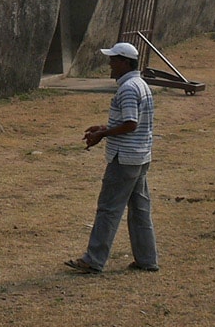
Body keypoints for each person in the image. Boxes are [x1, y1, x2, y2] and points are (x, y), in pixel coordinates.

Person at [65, 41, 159, 274]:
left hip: (124, 159)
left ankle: (93, 260)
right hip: (140, 157)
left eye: (113, 60)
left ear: (125, 62)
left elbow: (130, 123)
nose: (110, 64)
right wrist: (104, 127)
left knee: (108, 209)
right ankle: (147, 259)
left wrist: (103, 134)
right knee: (140, 210)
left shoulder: (127, 88)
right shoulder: (141, 84)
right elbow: (132, 121)